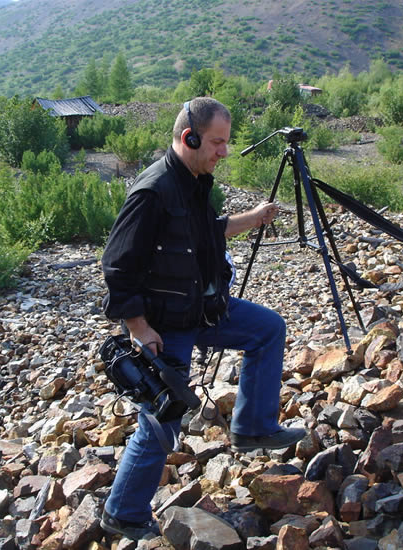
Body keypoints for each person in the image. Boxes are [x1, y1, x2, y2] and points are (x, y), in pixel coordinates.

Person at [99, 97, 306, 540]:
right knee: (162, 417)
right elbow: (116, 266)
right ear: (188, 138)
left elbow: (208, 232)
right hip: (165, 325)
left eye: (225, 142)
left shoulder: (194, 181)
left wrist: (254, 218)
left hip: (204, 310)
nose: (224, 152)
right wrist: (139, 328)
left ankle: (253, 428)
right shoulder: (153, 191)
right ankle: (123, 512)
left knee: (268, 329)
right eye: (216, 142)